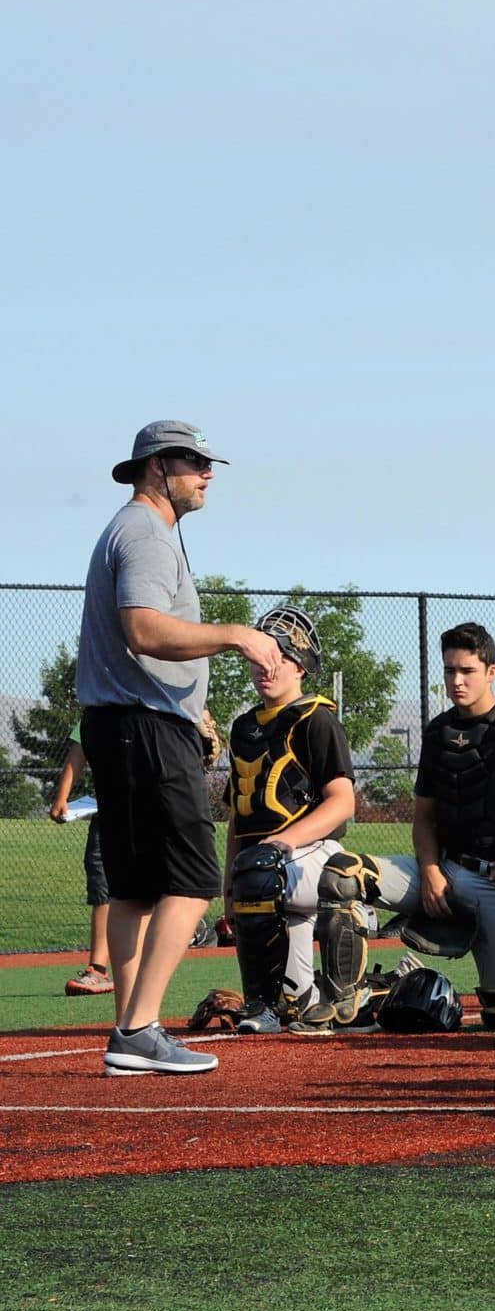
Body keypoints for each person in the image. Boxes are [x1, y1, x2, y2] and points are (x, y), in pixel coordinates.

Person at [78, 421, 285, 1074]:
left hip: (128, 722)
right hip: (143, 729)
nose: (207, 473)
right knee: (196, 876)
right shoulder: (144, 533)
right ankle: (138, 1029)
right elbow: (141, 628)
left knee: (135, 889)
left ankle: (130, 1030)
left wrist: (190, 704)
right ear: (156, 467)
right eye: (194, 461)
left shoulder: (131, 529)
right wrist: (235, 635)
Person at [307, 623, 495, 1033]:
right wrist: (428, 870)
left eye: (467, 671)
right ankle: (346, 1007)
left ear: (491, 672)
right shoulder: (439, 731)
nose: (456, 681)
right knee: (342, 873)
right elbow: (424, 816)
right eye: (448, 671)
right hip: (442, 871)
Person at [220, 606, 359, 1031]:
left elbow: (342, 802)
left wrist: (282, 844)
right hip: (263, 868)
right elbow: (238, 819)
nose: (266, 665)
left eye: (278, 656)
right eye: (261, 655)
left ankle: (261, 1004)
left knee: (258, 871)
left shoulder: (317, 718)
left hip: (315, 856)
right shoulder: (243, 727)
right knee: (301, 1008)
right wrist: (229, 883)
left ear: (300, 666)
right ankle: (295, 999)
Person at [50, 733, 114, 996]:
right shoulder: (95, 707)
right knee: (101, 886)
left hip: (148, 810)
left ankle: (145, 965)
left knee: (148, 889)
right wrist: (62, 796)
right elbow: (78, 754)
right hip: (106, 812)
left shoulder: (148, 701)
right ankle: (98, 970)